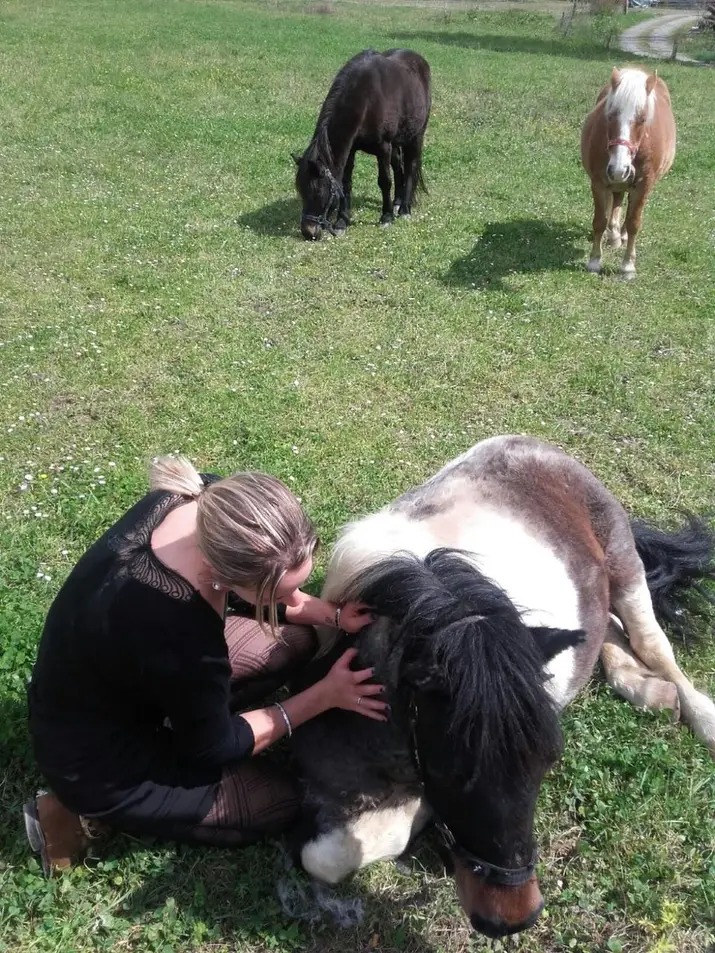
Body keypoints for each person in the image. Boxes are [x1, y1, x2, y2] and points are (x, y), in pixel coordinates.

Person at [25, 456, 387, 875]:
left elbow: (273, 593)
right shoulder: (178, 625)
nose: (292, 600)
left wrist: (334, 616)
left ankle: (181, 721)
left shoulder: (211, 505)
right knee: (279, 800)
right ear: (221, 573)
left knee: (294, 639)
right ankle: (79, 810)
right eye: (277, 594)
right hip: (94, 758)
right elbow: (211, 748)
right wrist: (324, 697)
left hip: (114, 686)